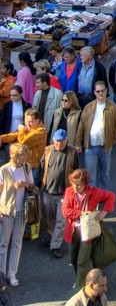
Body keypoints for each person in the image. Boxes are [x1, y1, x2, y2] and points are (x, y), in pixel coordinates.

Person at [62, 167, 115, 290]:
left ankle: (80, 286)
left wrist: (104, 212)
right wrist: (82, 214)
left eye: (79, 185)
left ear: (85, 184)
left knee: (82, 260)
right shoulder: (69, 191)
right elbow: (65, 211)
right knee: (73, 258)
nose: (76, 188)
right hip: (73, 230)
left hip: (87, 231)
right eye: (74, 184)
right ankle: (80, 279)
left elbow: (111, 196)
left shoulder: (94, 192)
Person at [40, 126, 78, 258]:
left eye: (61, 141)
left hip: (63, 193)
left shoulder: (73, 152)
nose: (58, 144)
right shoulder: (48, 150)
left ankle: (55, 246)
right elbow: (42, 167)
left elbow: (76, 172)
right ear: (53, 140)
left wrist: (75, 191)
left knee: (61, 221)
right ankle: (50, 237)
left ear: (66, 141)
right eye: (56, 141)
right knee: (49, 218)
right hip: (48, 191)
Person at [75, 81, 116, 190]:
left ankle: (103, 197)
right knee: (90, 177)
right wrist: (78, 143)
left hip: (105, 147)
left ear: (106, 91)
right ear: (94, 92)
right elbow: (81, 125)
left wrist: (112, 141)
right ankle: (92, 200)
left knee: (104, 175)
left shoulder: (114, 108)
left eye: (103, 91)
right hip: (90, 147)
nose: (101, 93)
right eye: (98, 91)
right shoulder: (88, 107)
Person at [0, 142, 32, 286]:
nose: (24, 158)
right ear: (13, 156)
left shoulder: (26, 167)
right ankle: (1, 274)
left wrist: (23, 185)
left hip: (21, 210)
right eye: (21, 155)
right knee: (3, 243)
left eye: (24, 154)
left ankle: (12, 273)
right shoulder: (4, 170)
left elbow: (31, 185)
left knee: (17, 243)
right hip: (6, 210)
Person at [33, 72, 62, 137]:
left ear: (44, 83)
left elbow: (60, 114)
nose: (36, 85)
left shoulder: (58, 94)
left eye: (38, 83)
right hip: (38, 128)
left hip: (51, 130)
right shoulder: (37, 93)